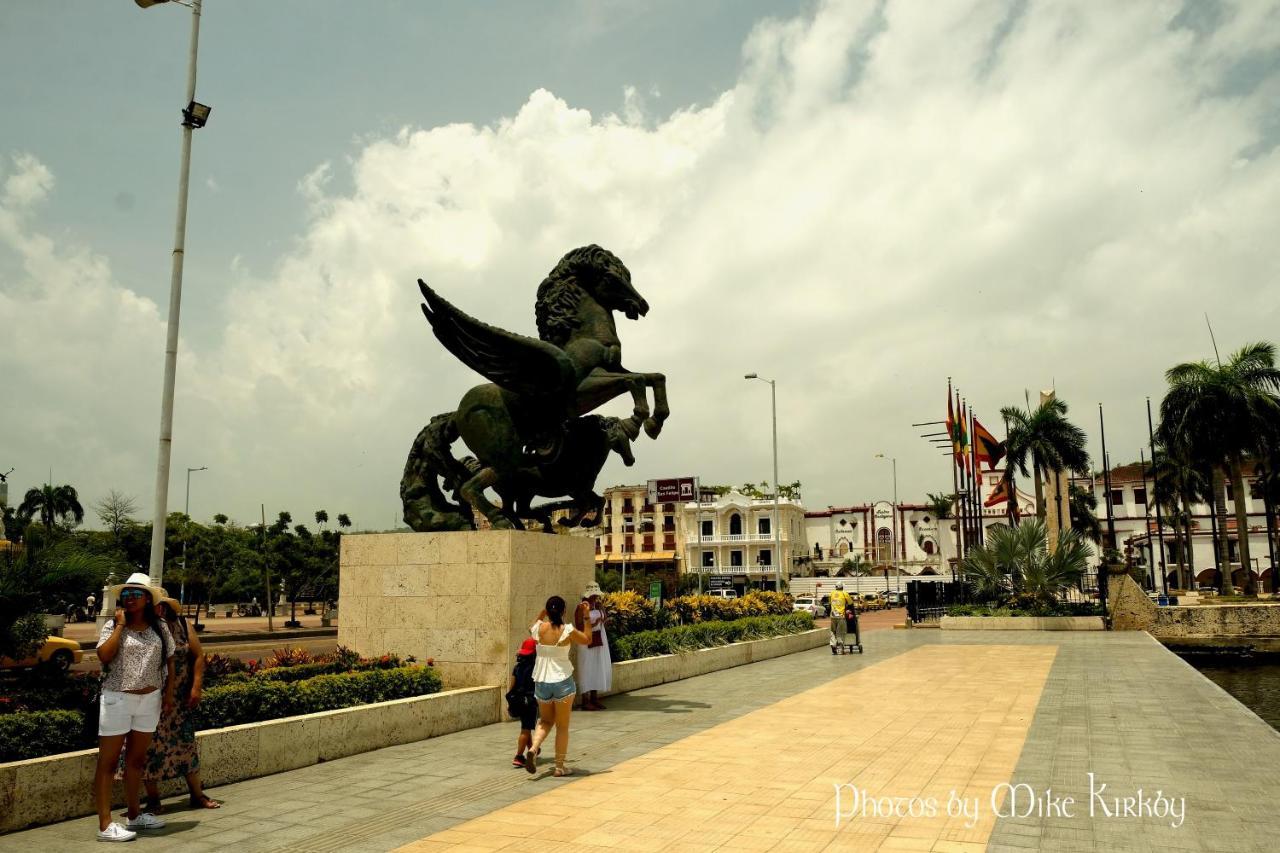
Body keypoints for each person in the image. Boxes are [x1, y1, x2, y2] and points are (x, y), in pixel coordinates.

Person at [93, 573, 176, 843]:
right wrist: (119, 626)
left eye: (135, 594)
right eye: (125, 594)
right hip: (118, 697)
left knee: (136, 761)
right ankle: (105, 825)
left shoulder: (159, 627)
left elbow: (170, 661)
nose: (129, 598)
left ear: (148, 600)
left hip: (149, 699)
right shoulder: (113, 625)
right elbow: (104, 655)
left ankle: (133, 814)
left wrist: (168, 693)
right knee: (107, 763)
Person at [140, 597, 222, 812]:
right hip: (150, 699)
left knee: (185, 745)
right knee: (149, 747)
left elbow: (197, 655)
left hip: (179, 700)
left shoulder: (182, 624)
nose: (158, 608)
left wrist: (196, 686)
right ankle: (153, 799)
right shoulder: (143, 626)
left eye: (161, 604)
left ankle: (197, 794)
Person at [523, 596, 592, 777]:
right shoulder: (567, 630)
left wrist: (542, 613)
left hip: (541, 681)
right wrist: (586, 616)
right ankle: (560, 766)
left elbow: (531, 626)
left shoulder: (539, 629)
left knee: (545, 721)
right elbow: (587, 639)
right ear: (563, 611)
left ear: (548, 611)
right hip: (562, 681)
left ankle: (533, 748)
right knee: (562, 726)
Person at [576, 583, 612, 710]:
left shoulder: (598, 606)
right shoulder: (581, 607)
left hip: (599, 639)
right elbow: (579, 626)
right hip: (587, 641)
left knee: (597, 667)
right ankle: (585, 701)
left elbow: (604, 621)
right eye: (594, 595)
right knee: (587, 668)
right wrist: (593, 624)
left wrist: (603, 615)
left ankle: (594, 698)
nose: (596, 597)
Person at [506, 638, 539, 768]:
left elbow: (511, 686)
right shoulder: (536, 668)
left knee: (525, 727)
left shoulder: (517, 667)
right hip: (530, 701)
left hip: (518, 700)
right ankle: (519, 756)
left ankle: (533, 749)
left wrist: (511, 702)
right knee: (526, 730)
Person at [828, 582, 854, 655]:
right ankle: (840, 647)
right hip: (841, 616)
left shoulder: (831, 593)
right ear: (842, 587)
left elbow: (830, 603)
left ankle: (833, 644)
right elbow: (850, 603)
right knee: (841, 632)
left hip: (833, 616)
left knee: (833, 631)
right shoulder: (844, 593)